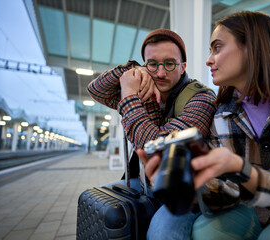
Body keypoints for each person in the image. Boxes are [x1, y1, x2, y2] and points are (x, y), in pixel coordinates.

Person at [137, 11, 270, 239]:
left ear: (252, 46)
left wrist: (241, 169)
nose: (208, 60)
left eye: (217, 47)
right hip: (260, 211)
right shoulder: (223, 114)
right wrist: (192, 181)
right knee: (208, 232)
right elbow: (229, 193)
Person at [87, 29, 216, 238]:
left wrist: (129, 96)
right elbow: (96, 90)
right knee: (99, 206)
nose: (161, 73)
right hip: (146, 183)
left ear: (183, 67)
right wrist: (132, 71)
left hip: (186, 192)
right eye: (153, 64)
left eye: (170, 63)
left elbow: (159, 150)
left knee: (161, 232)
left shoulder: (202, 99)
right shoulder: (145, 89)